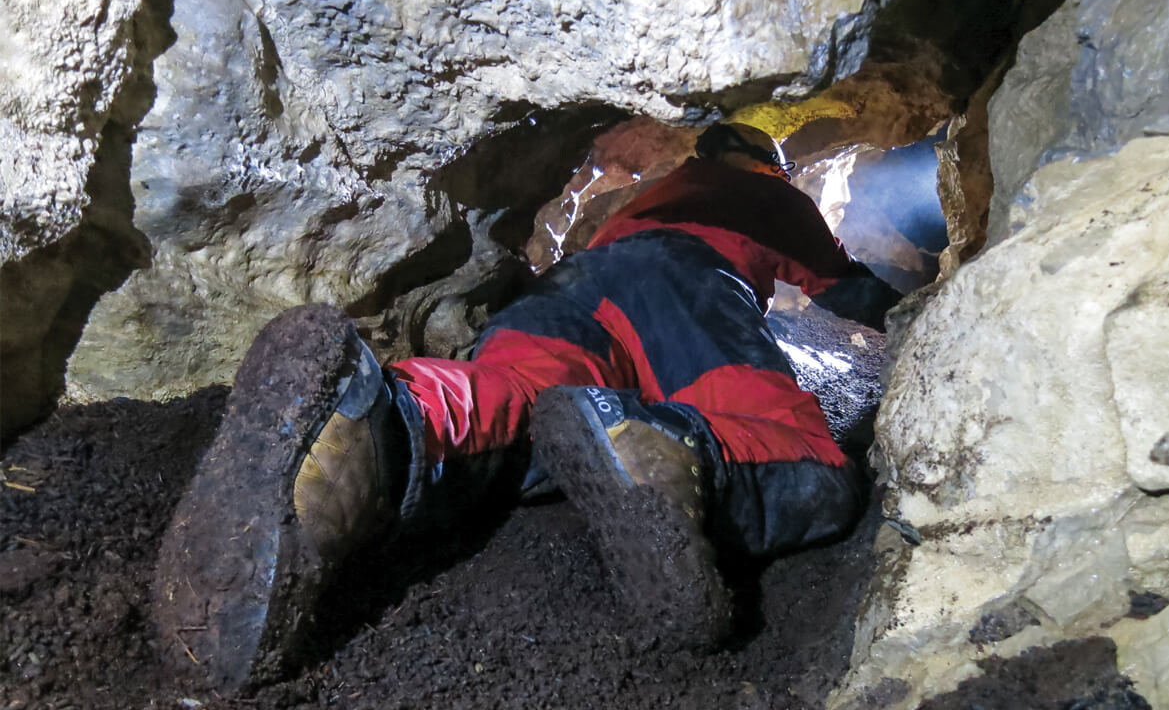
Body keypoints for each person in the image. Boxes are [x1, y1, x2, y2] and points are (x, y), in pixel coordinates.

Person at [153, 122, 902, 692]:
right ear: (763, 163)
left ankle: (381, 424)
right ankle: (669, 443)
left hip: (569, 285)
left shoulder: (648, 194)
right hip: (683, 284)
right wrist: (918, 297)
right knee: (806, 461)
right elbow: (850, 289)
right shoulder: (770, 195)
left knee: (508, 392)